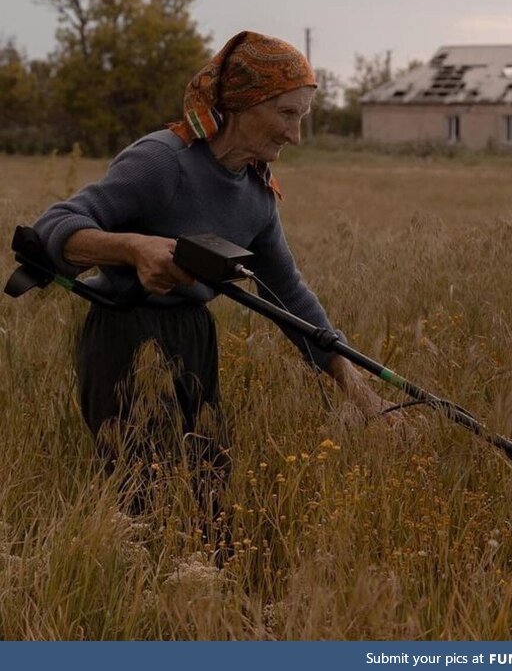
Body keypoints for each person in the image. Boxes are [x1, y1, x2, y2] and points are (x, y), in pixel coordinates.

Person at [32, 30, 398, 538]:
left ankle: (204, 600)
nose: (294, 136)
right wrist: (134, 248)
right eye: (287, 115)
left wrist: (359, 392)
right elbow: (54, 226)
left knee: (209, 496)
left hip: (194, 339)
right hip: (124, 335)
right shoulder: (162, 161)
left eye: (302, 118)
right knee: (143, 499)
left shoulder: (257, 195)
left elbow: (289, 297)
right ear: (244, 105)